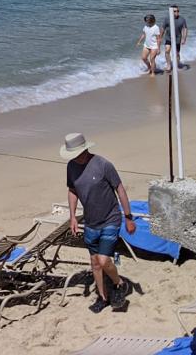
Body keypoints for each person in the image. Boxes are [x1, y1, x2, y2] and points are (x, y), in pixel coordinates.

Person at [60, 132, 137, 313]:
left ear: (85, 149)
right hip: (90, 222)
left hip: (111, 218)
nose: (74, 158)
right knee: (94, 262)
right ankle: (103, 297)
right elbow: (72, 190)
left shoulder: (103, 165)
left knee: (103, 260)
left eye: (76, 153)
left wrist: (128, 217)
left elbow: (120, 189)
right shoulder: (71, 167)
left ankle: (120, 284)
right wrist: (72, 216)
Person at [160, 6, 189, 71]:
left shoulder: (182, 19)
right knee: (167, 51)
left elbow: (185, 29)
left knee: (177, 53)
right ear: (171, 12)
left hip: (177, 38)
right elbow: (163, 28)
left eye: (178, 11)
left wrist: (184, 38)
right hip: (168, 37)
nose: (177, 12)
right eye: (175, 11)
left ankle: (177, 65)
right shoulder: (167, 19)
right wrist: (160, 38)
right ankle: (169, 65)